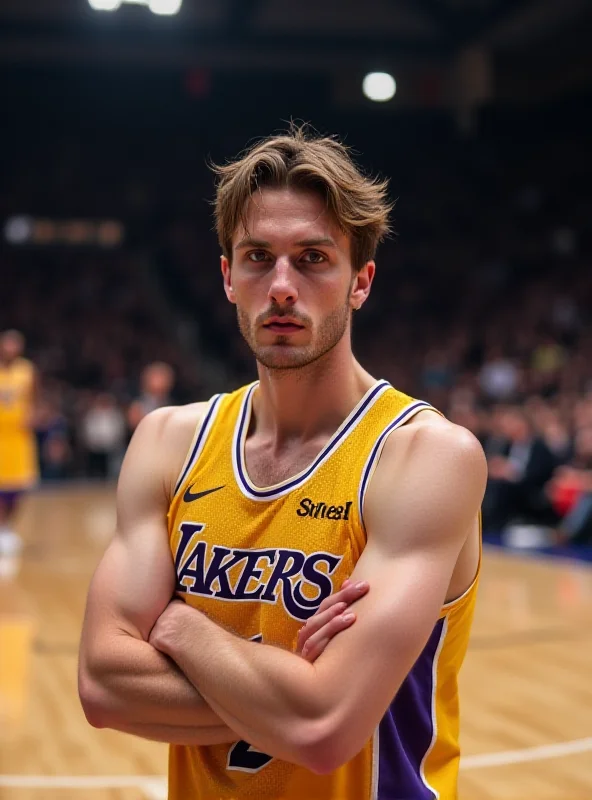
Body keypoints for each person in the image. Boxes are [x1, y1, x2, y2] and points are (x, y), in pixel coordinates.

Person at [78, 128, 486, 800]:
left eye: (314, 258)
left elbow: (325, 727)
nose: (283, 286)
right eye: (259, 257)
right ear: (228, 278)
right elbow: (102, 685)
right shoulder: (168, 442)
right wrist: (288, 685)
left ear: (361, 282)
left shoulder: (424, 456)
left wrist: (176, 624)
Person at [0, 330, 39, 555]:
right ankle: (2, 528)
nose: (12, 349)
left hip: (19, 437)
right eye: (8, 344)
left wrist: (33, 414)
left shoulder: (27, 371)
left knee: (19, 487)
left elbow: (35, 399)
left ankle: (7, 528)